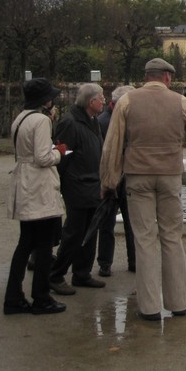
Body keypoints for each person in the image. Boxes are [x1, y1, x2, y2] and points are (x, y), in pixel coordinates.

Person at [100, 58, 186, 321]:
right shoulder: (181, 102)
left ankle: (150, 307)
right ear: (166, 77)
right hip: (169, 175)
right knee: (172, 238)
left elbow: (112, 145)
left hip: (138, 175)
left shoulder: (126, 102)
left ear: (146, 76)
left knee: (144, 240)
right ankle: (178, 303)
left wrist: (108, 182)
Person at [3, 77, 67, 315]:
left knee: (25, 244)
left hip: (24, 180)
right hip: (38, 185)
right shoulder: (40, 120)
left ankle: (13, 297)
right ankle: (41, 297)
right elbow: (42, 158)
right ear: (45, 100)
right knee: (43, 245)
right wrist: (58, 153)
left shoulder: (21, 117)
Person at [48, 84, 107, 295]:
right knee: (74, 233)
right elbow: (61, 155)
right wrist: (67, 183)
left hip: (92, 184)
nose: (104, 101)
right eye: (101, 98)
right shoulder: (70, 123)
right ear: (91, 102)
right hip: (78, 185)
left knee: (90, 232)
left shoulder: (93, 122)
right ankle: (56, 275)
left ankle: (82, 274)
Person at [97, 85, 136, 276]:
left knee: (116, 221)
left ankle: (108, 263)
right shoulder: (105, 121)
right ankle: (114, 262)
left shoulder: (102, 120)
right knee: (111, 222)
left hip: (122, 174)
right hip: (117, 175)